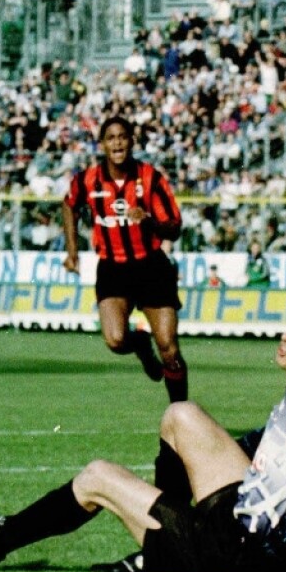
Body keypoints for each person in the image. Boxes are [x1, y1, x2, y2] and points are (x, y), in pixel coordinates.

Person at [0, 298, 286, 572]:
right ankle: (163, 549)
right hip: (239, 527)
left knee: (97, 476)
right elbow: (260, 449)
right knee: (180, 416)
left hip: (242, 551)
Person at [61, 116, 188, 403]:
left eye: (122, 136)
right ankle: (141, 344)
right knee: (116, 340)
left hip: (151, 266)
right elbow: (68, 205)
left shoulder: (150, 177)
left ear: (131, 141)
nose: (117, 143)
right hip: (113, 268)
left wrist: (150, 221)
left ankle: (180, 415)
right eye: (111, 137)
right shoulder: (88, 180)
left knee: (169, 348)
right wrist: (72, 252)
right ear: (102, 144)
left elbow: (174, 227)